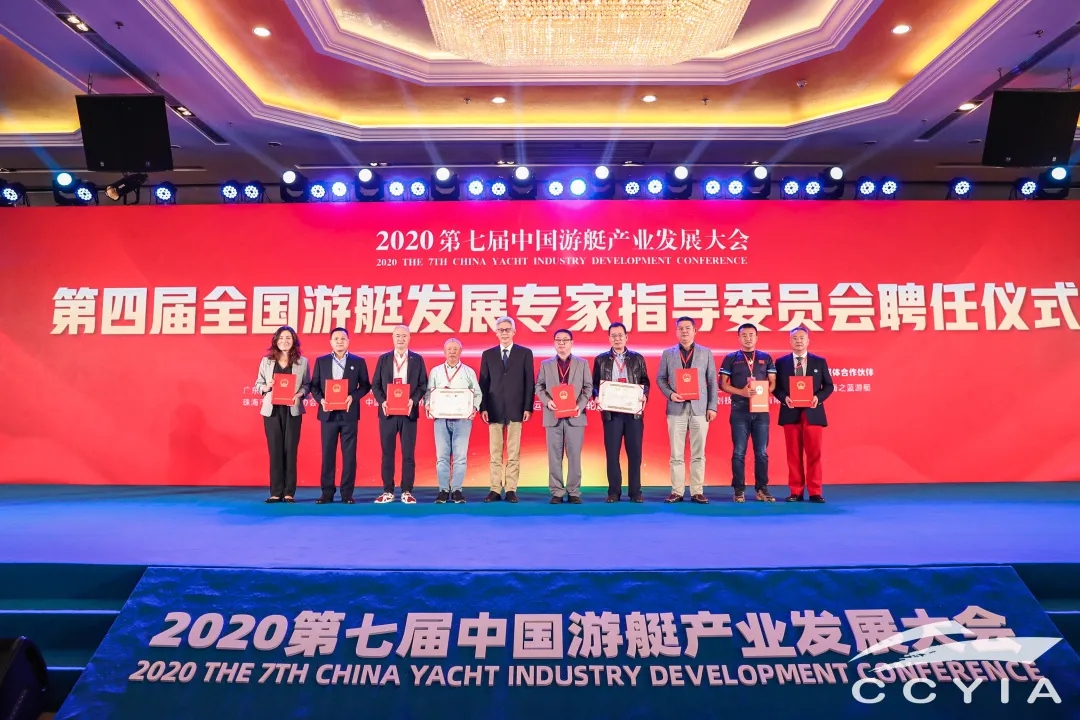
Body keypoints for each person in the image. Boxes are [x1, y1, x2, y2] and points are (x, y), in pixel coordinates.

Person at [656, 317, 718, 504]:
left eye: (688, 328)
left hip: (700, 409)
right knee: (676, 453)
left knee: (699, 453)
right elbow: (660, 379)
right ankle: (677, 491)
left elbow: (712, 381)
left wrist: (712, 407)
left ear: (695, 331)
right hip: (676, 408)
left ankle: (697, 491)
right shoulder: (668, 354)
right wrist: (670, 394)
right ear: (676, 332)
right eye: (681, 328)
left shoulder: (706, 353)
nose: (684, 331)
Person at [308, 327, 371, 504]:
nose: (339, 342)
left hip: (349, 414)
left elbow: (365, 385)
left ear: (348, 341)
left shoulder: (358, 362)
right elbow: (314, 386)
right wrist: (321, 400)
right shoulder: (322, 361)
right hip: (328, 414)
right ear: (330, 342)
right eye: (336, 339)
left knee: (349, 455)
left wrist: (353, 397)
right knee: (328, 454)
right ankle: (327, 493)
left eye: (343, 338)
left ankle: (347, 493)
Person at [773, 325, 834, 503]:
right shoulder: (781, 363)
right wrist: (784, 398)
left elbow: (829, 385)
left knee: (814, 454)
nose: (798, 341)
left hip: (813, 414)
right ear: (790, 341)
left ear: (808, 341)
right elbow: (775, 387)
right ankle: (796, 491)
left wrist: (818, 397)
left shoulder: (819, 362)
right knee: (793, 454)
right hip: (790, 413)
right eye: (795, 338)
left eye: (802, 338)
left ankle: (815, 491)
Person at [478, 316, 535, 503]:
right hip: (493, 409)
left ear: (514, 332)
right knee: (495, 453)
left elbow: (529, 382)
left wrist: (528, 407)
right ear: (496, 333)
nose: (504, 333)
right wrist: (483, 407)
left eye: (507, 329)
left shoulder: (525, 353)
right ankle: (495, 489)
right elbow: (483, 383)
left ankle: (511, 489)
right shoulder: (488, 354)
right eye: (500, 330)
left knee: (513, 453)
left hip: (516, 409)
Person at [592, 321, 650, 503]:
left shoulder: (637, 358)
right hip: (612, 413)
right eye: (613, 336)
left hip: (633, 413)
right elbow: (595, 384)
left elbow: (645, 382)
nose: (617, 338)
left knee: (635, 454)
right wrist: (596, 396)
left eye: (620, 335)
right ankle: (614, 492)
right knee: (612, 454)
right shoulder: (601, 360)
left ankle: (635, 492)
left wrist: (644, 395)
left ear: (626, 337)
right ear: (609, 338)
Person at [719, 323, 777, 503]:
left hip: (760, 410)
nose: (748, 338)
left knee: (762, 452)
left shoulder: (766, 357)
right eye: (744, 335)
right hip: (739, 410)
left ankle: (762, 489)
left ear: (757, 337)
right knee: (739, 452)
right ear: (739, 338)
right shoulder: (731, 358)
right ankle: (739, 490)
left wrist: (763, 393)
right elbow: (723, 384)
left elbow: (773, 382)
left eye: (751, 335)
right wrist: (741, 392)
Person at [370, 325, 429, 504]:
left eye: (404, 336)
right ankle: (388, 491)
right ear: (393, 338)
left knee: (408, 454)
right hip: (388, 413)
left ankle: (407, 491)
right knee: (387, 453)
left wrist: (413, 400)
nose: (401, 339)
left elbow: (423, 384)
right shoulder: (384, 359)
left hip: (409, 413)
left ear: (409, 338)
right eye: (398, 336)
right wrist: (383, 401)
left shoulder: (417, 359)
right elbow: (375, 384)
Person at [253, 326, 310, 503]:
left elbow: (307, 385)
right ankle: (276, 491)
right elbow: (258, 384)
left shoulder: (302, 362)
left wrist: (299, 394)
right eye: (281, 338)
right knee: (275, 450)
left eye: (288, 338)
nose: (284, 341)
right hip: (272, 411)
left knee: (290, 450)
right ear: (276, 341)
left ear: (294, 341)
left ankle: (289, 492)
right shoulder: (267, 361)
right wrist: (266, 386)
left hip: (292, 410)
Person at [535, 329, 592, 504]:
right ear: (554, 343)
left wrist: (579, 405)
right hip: (553, 415)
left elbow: (588, 387)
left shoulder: (582, 363)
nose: (561, 343)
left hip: (575, 416)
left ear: (571, 343)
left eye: (565, 340)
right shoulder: (546, 364)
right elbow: (539, 386)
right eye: (558, 340)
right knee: (554, 456)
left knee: (574, 456)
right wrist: (547, 402)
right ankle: (557, 492)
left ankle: (574, 491)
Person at [425, 338, 482, 504]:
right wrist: (428, 405)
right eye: (449, 349)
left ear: (460, 352)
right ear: (444, 352)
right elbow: (429, 392)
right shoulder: (436, 371)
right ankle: (443, 490)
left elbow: (477, 393)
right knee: (442, 456)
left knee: (460, 457)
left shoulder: (468, 372)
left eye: (455, 349)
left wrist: (474, 407)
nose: (452, 352)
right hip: (441, 419)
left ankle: (457, 490)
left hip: (463, 419)